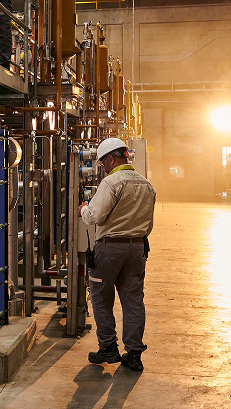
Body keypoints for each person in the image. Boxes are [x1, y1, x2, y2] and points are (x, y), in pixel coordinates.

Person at [78, 137, 156, 372]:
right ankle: (133, 355)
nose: (103, 168)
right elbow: (149, 223)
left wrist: (84, 209)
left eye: (103, 164)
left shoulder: (111, 182)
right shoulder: (146, 184)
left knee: (101, 298)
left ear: (111, 159)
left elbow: (95, 216)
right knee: (133, 299)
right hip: (138, 248)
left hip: (111, 248)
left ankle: (108, 347)